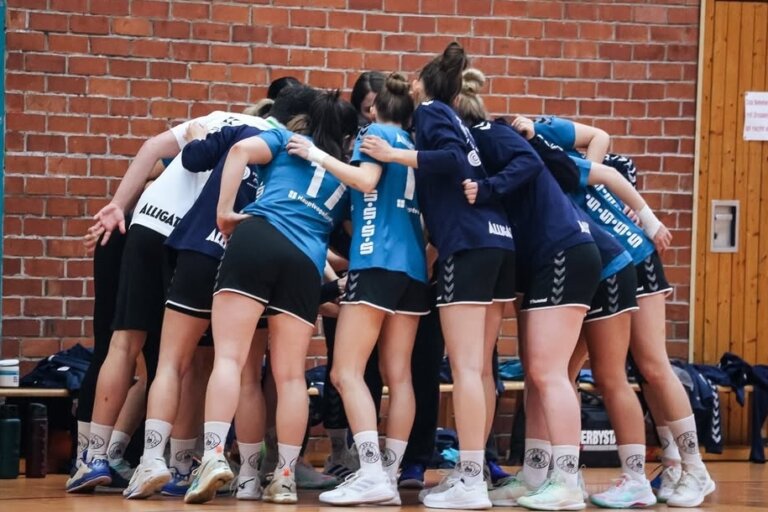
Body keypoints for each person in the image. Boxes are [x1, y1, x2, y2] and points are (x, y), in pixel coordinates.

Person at [66, 106, 284, 493]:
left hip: (150, 222)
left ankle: (94, 456)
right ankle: (179, 466)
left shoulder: (220, 119)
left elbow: (152, 147)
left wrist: (118, 203)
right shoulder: (280, 146)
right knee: (192, 359)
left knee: (126, 343)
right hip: (200, 239)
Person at [523, 114, 716, 508]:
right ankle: (567, 473)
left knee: (650, 365)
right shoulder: (540, 172)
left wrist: (648, 218)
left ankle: (691, 468)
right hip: (600, 262)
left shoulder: (549, 152)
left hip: (631, 256)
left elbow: (604, 151)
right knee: (569, 371)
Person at [359, 43, 516, 510]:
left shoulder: (429, 112)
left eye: (414, 77)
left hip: (468, 245)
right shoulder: (454, 115)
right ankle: (473, 474)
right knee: (480, 369)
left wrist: (394, 154)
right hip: (498, 240)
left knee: (465, 368)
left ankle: (471, 480)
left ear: (422, 84)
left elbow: (449, 159)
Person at [183, 90, 358, 505]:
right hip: (305, 261)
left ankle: (213, 456)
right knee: (291, 376)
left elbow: (239, 150)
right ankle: (284, 477)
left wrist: (224, 211)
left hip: (258, 238)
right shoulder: (346, 174)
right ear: (348, 137)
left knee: (230, 358)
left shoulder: (285, 139)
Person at [454, 69, 601, 511]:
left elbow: (535, 164)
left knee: (549, 372)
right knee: (539, 374)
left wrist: (488, 188)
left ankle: (568, 481)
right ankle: (537, 473)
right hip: (546, 257)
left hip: (564, 251)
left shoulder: (491, 134)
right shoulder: (484, 143)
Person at [287, 72, 428, 506]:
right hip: (413, 268)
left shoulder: (374, 135)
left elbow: (365, 181)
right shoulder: (413, 146)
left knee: (344, 372)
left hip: (377, 259)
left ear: (373, 110)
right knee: (399, 377)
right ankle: (388, 475)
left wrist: (315, 154)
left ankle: (370, 473)